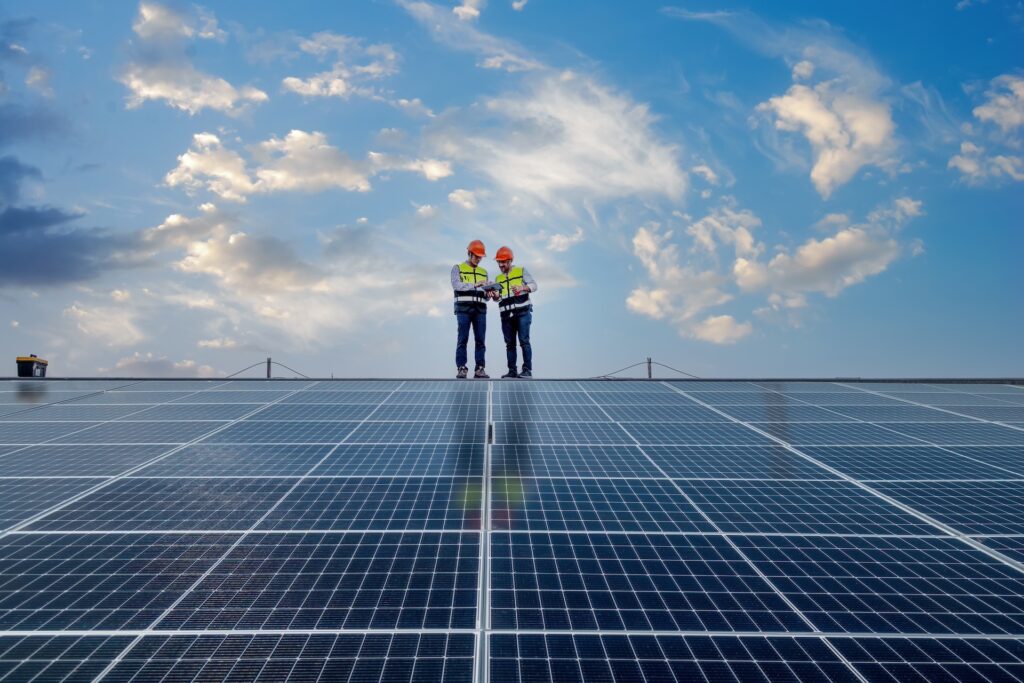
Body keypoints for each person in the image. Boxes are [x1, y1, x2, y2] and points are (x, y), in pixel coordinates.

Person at [451, 240, 495, 379]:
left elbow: (485, 295)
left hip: (480, 310)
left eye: (480, 257)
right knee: (462, 339)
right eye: (476, 256)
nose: (478, 259)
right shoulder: (457, 268)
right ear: (469, 253)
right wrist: (476, 285)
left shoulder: (484, 272)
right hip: (463, 309)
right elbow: (457, 285)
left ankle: (480, 368)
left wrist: (489, 293)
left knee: (480, 340)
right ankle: (461, 367)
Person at [494, 246, 538, 378]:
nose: (501, 265)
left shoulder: (521, 271)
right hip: (506, 316)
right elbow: (499, 298)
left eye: (503, 262)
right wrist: (496, 297)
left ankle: (527, 370)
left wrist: (522, 287)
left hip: (522, 313)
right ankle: (512, 371)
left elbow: (534, 285)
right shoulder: (498, 279)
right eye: (499, 262)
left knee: (524, 341)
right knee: (510, 344)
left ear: (510, 261)